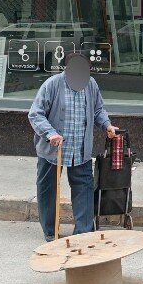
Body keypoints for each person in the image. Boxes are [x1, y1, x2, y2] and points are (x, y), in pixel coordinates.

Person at [29, 52, 116, 241]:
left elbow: (98, 109)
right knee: (48, 189)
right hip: (54, 149)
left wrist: (107, 125)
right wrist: (50, 133)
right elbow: (35, 114)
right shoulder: (52, 84)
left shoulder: (91, 84)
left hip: (80, 148)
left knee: (84, 188)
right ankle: (50, 231)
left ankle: (83, 232)